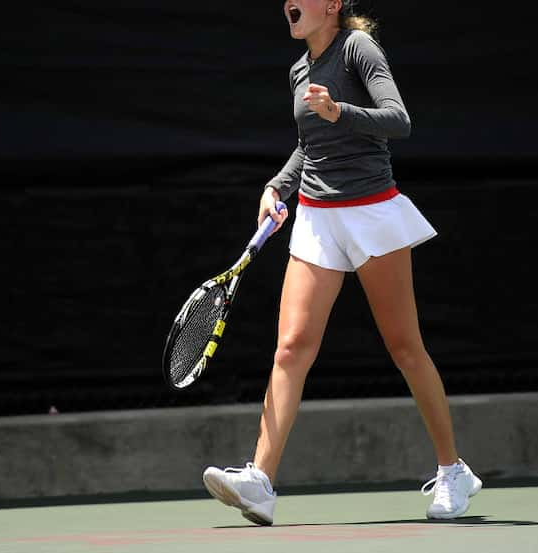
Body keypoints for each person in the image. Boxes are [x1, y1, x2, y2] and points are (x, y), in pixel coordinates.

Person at [202, 0, 482, 526]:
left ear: (331, 5)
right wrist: (276, 185)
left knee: (404, 346)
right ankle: (260, 481)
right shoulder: (299, 69)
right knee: (291, 347)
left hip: (372, 212)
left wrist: (341, 111)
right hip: (316, 217)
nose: (290, 3)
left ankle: (454, 471)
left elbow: (398, 121)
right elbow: (310, 145)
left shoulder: (358, 48)